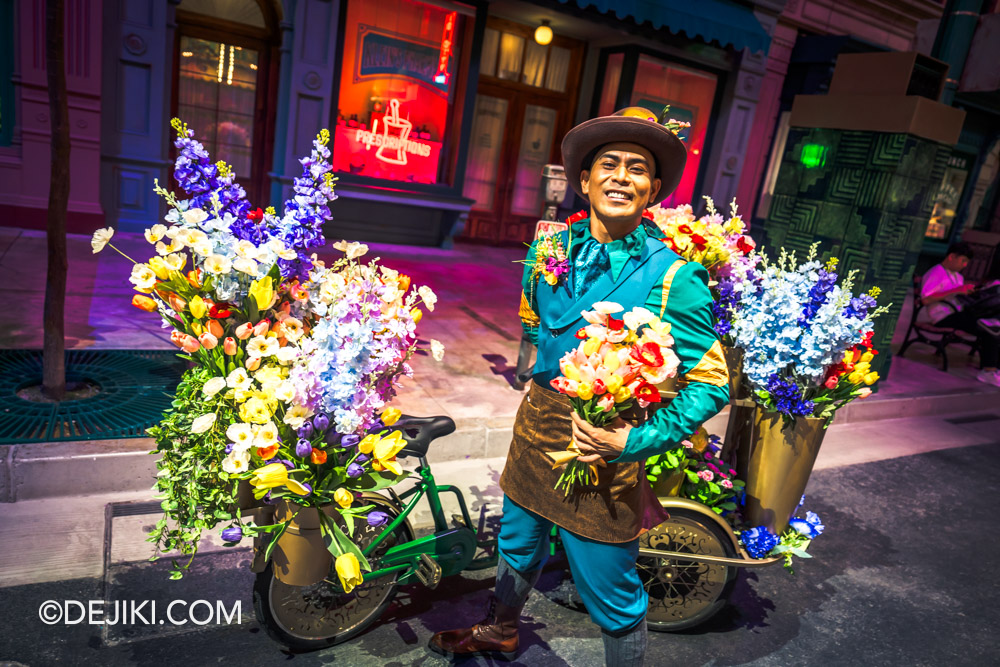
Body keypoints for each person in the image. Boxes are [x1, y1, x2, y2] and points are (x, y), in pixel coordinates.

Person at [428, 108, 729, 665]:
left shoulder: (675, 277)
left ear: (654, 189)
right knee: (517, 540)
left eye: (636, 168)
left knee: (608, 589)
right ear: (584, 182)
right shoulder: (549, 250)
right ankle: (501, 629)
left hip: (605, 448)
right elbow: (535, 322)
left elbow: (711, 385)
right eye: (607, 165)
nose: (620, 177)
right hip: (538, 423)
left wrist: (631, 441)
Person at [919, 241, 1000, 386]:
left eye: (966, 262)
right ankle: (988, 370)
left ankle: (994, 368)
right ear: (951, 257)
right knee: (988, 329)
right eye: (963, 260)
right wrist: (956, 291)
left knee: (992, 326)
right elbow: (926, 300)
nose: (964, 265)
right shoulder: (936, 272)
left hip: (958, 312)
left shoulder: (958, 276)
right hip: (943, 316)